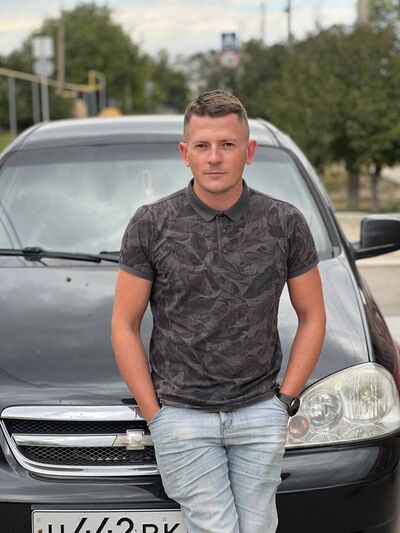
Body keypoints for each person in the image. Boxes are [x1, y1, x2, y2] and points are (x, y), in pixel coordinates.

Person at [111, 89, 326, 533]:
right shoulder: (151, 224)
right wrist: (156, 416)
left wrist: (284, 402)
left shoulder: (285, 223)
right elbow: (124, 325)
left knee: (258, 527)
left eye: (227, 144)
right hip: (181, 415)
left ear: (248, 152)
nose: (214, 157)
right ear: (185, 153)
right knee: (216, 527)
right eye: (202, 146)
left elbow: (313, 316)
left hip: (260, 410)